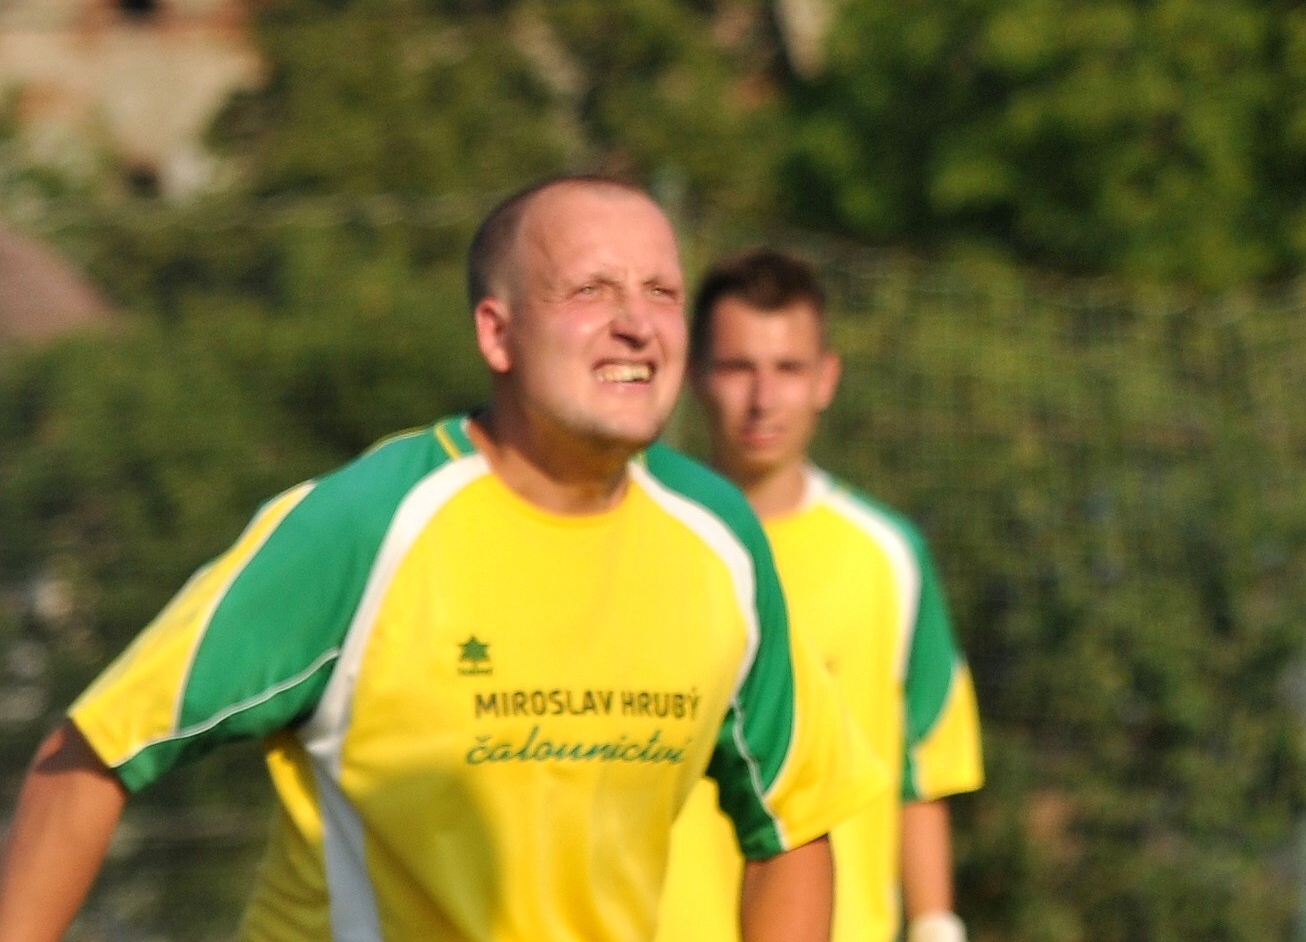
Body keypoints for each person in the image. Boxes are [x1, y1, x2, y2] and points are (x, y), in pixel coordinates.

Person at [0, 176, 872, 942]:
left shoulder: (717, 537)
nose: (637, 324)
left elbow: (794, 820)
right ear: (497, 333)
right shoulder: (364, 524)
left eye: (662, 291)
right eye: (591, 290)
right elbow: (91, 755)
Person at [658, 250, 983, 942]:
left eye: (788, 368)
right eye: (737, 367)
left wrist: (935, 925)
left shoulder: (888, 554)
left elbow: (924, 769)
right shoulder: (642, 539)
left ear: (825, 378)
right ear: (694, 374)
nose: (763, 398)